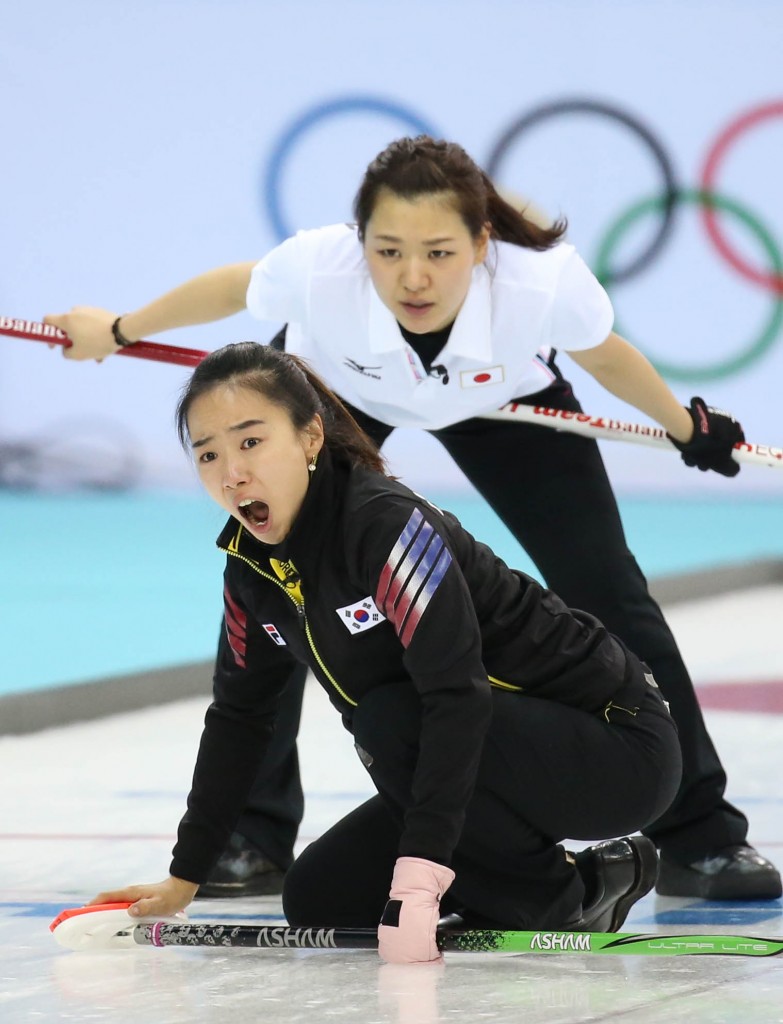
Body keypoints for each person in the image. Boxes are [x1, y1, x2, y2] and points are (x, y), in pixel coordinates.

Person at [46, 135, 781, 902]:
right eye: (387, 251)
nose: (412, 276)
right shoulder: (319, 270)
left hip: (502, 399)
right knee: (275, 585)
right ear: (359, 243)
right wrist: (120, 329)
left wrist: (686, 427)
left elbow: (604, 355)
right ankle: (252, 836)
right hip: (338, 396)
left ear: (481, 244)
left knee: (608, 586)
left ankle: (701, 836)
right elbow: (237, 286)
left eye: (438, 252)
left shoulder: (539, 284)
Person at [90, 341, 683, 964]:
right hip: (480, 752)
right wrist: (184, 877)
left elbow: (454, 696)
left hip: (617, 746)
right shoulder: (250, 569)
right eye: (206, 453)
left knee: (390, 717)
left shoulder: (384, 527)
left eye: (250, 442)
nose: (230, 472)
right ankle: (597, 881)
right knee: (321, 900)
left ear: (311, 436)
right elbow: (240, 718)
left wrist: (419, 880)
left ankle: (556, 899)